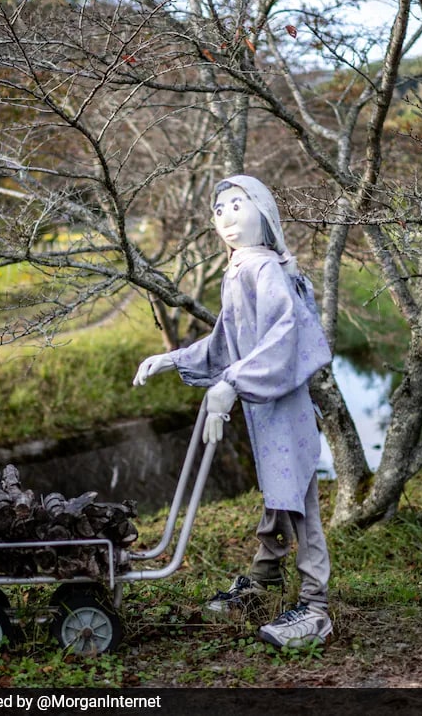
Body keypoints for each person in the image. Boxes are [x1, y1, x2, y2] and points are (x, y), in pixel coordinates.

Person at [132, 175, 335, 648]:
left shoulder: (265, 270)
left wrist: (232, 384)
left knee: (300, 504)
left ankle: (316, 607)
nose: (226, 216)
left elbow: (282, 340)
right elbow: (227, 342)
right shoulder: (240, 270)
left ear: (263, 212)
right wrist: (173, 358)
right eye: (219, 209)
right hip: (265, 409)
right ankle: (263, 581)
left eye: (238, 205)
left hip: (283, 407)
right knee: (276, 495)